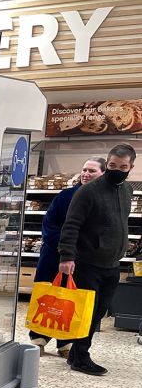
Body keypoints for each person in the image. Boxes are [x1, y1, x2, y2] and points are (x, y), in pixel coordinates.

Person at [58, 143, 135, 376]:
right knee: (87, 312)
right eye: (112, 165)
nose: (117, 170)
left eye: (123, 167)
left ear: (131, 166)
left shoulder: (127, 190)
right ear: (107, 163)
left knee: (100, 311)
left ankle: (76, 352)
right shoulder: (88, 191)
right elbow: (71, 225)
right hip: (88, 262)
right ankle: (81, 356)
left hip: (112, 263)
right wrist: (67, 256)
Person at [29, 157, 105, 358]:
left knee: (71, 299)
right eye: (84, 170)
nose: (86, 174)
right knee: (47, 295)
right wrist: (65, 248)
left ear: (103, 174)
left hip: (83, 259)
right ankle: (38, 338)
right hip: (54, 256)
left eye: (92, 171)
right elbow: (49, 224)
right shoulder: (65, 196)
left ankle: (66, 342)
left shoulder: (102, 199)